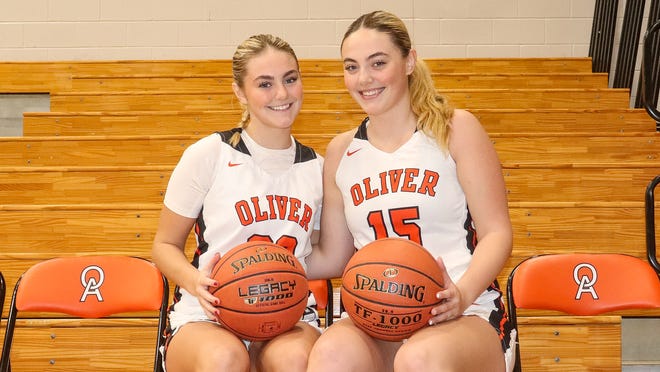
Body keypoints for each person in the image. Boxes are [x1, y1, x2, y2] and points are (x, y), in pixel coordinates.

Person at [305, 10, 516, 372]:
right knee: (329, 355)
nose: (364, 78)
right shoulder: (341, 152)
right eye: (351, 66)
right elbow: (336, 255)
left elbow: (498, 233)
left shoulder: (455, 130)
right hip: (375, 315)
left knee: (419, 359)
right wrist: (269, 264)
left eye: (378, 63)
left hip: (463, 310)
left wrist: (462, 294)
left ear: (409, 62)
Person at [152, 34, 323, 372]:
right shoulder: (209, 154)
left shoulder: (317, 168)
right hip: (209, 313)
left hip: (287, 310)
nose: (282, 94)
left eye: (290, 79)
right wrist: (194, 281)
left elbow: (317, 255)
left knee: (297, 360)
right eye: (265, 84)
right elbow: (164, 245)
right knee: (224, 360)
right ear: (240, 92)